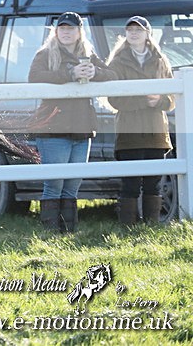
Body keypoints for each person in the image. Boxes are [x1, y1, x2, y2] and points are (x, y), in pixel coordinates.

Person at [28, 12, 117, 232]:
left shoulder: (88, 54)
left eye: (71, 28)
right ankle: (51, 234)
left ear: (79, 32)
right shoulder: (45, 54)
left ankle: (68, 234)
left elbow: (112, 75)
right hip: (53, 127)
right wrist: (69, 73)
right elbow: (34, 77)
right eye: (62, 28)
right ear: (56, 31)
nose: (66, 32)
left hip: (82, 127)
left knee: (72, 185)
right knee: (54, 184)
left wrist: (95, 72)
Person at [106, 16, 174, 224]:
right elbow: (113, 98)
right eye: (130, 30)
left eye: (139, 30)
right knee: (131, 183)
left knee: (154, 184)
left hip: (156, 131)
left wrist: (160, 101)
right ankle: (128, 228)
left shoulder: (161, 60)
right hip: (129, 130)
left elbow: (171, 99)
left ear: (148, 34)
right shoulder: (117, 61)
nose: (134, 33)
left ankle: (151, 227)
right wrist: (144, 100)